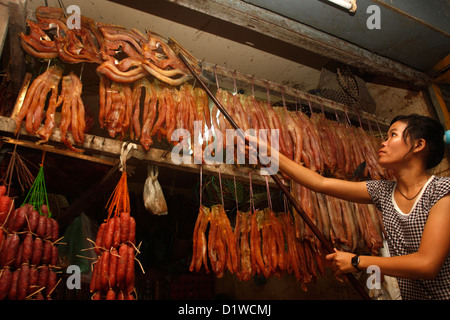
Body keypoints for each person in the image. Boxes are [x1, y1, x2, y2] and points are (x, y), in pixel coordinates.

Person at [246, 113, 449, 300]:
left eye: (392, 135)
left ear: (418, 145)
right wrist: (267, 152)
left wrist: (357, 261)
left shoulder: (442, 191)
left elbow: (427, 264)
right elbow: (320, 183)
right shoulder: (384, 192)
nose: (383, 143)